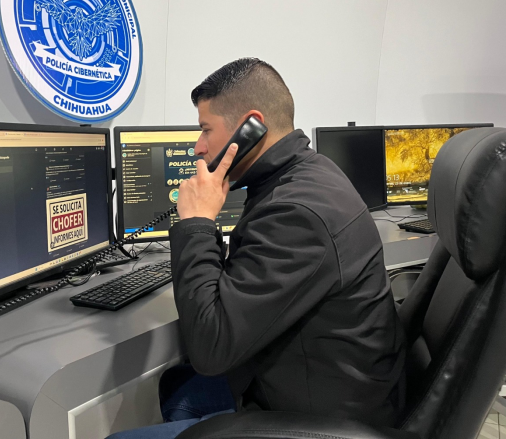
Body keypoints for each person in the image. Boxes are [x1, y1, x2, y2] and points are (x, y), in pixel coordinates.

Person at [107, 58, 405, 439]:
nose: (198, 147)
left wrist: (197, 222)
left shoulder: (296, 213)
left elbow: (211, 349)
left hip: (324, 421)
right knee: (178, 386)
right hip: (321, 383)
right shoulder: (307, 174)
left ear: (251, 127)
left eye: (205, 130)